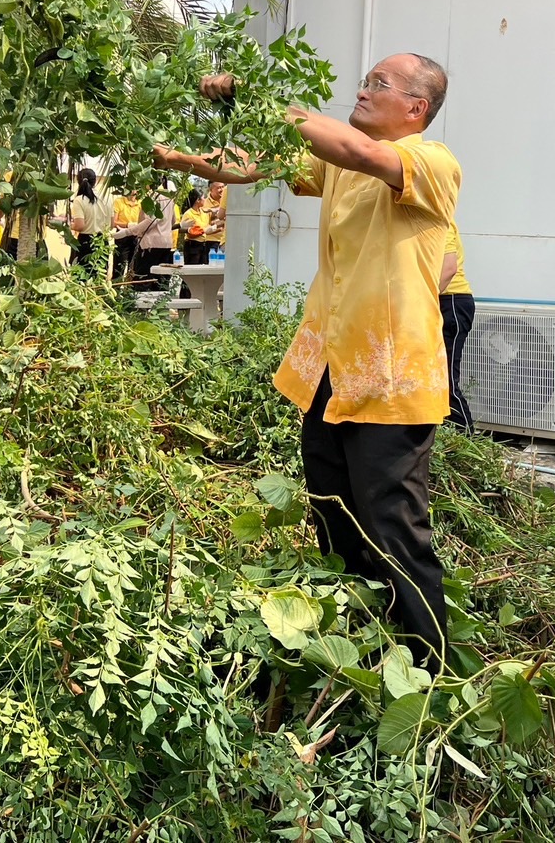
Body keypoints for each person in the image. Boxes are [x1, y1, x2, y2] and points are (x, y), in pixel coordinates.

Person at [156, 53, 459, 673]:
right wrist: (191, 156)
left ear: (415, 109)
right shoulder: (339, 161)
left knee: (393, 526)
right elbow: (259, 162)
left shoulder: (429, 161)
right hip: (333, 372)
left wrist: (259, 91)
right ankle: (358, 641)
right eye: (366, 79)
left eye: (380, 83)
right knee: (332, 508)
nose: (363, 89)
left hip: (392, 377)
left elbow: (362, 154)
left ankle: (429, 671)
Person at [439, 220, 475, 429]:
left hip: (450, 301)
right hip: (445, 301)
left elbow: (448, 269)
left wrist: (419, 303)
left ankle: (464, 440)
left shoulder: (440, 222)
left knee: (445, 381)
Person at [121, 184, 177, 290]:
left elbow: (151, 221)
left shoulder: (151, 197)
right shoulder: (169, 198)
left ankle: (142, 305)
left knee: (143, 278)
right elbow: (173, 220)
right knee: (160, 279)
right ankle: (160, 304)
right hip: (166, 243)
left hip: (151, 243)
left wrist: (129, 231)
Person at [68, 166, 114, 271]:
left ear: (78, 181)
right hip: (103, 241)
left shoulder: (79, 200)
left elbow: (80, 225)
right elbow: (112, 225)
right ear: (95, 181)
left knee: (83, 276)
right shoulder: (107, 198)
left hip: (86, 242)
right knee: (100, 275)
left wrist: (69, 225)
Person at [111, 190, 142, 283]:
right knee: (119, 266)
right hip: (122, 236)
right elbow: (113, 222)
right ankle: (116, 290)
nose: (134, 191)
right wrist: (128, 225)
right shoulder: (119, 202)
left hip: (136, 236)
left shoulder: (141, 203)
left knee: (134, 267)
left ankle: (130, 291)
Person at [178, 188, 213, 267]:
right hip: (192, 246)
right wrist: (195, 231)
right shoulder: (189, 214)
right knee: (192, 269)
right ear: (198, 200)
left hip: (203, 245)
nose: (205, 200)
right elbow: (182, 229)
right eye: (203, 198)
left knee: (203, 270)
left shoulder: (203, 212)